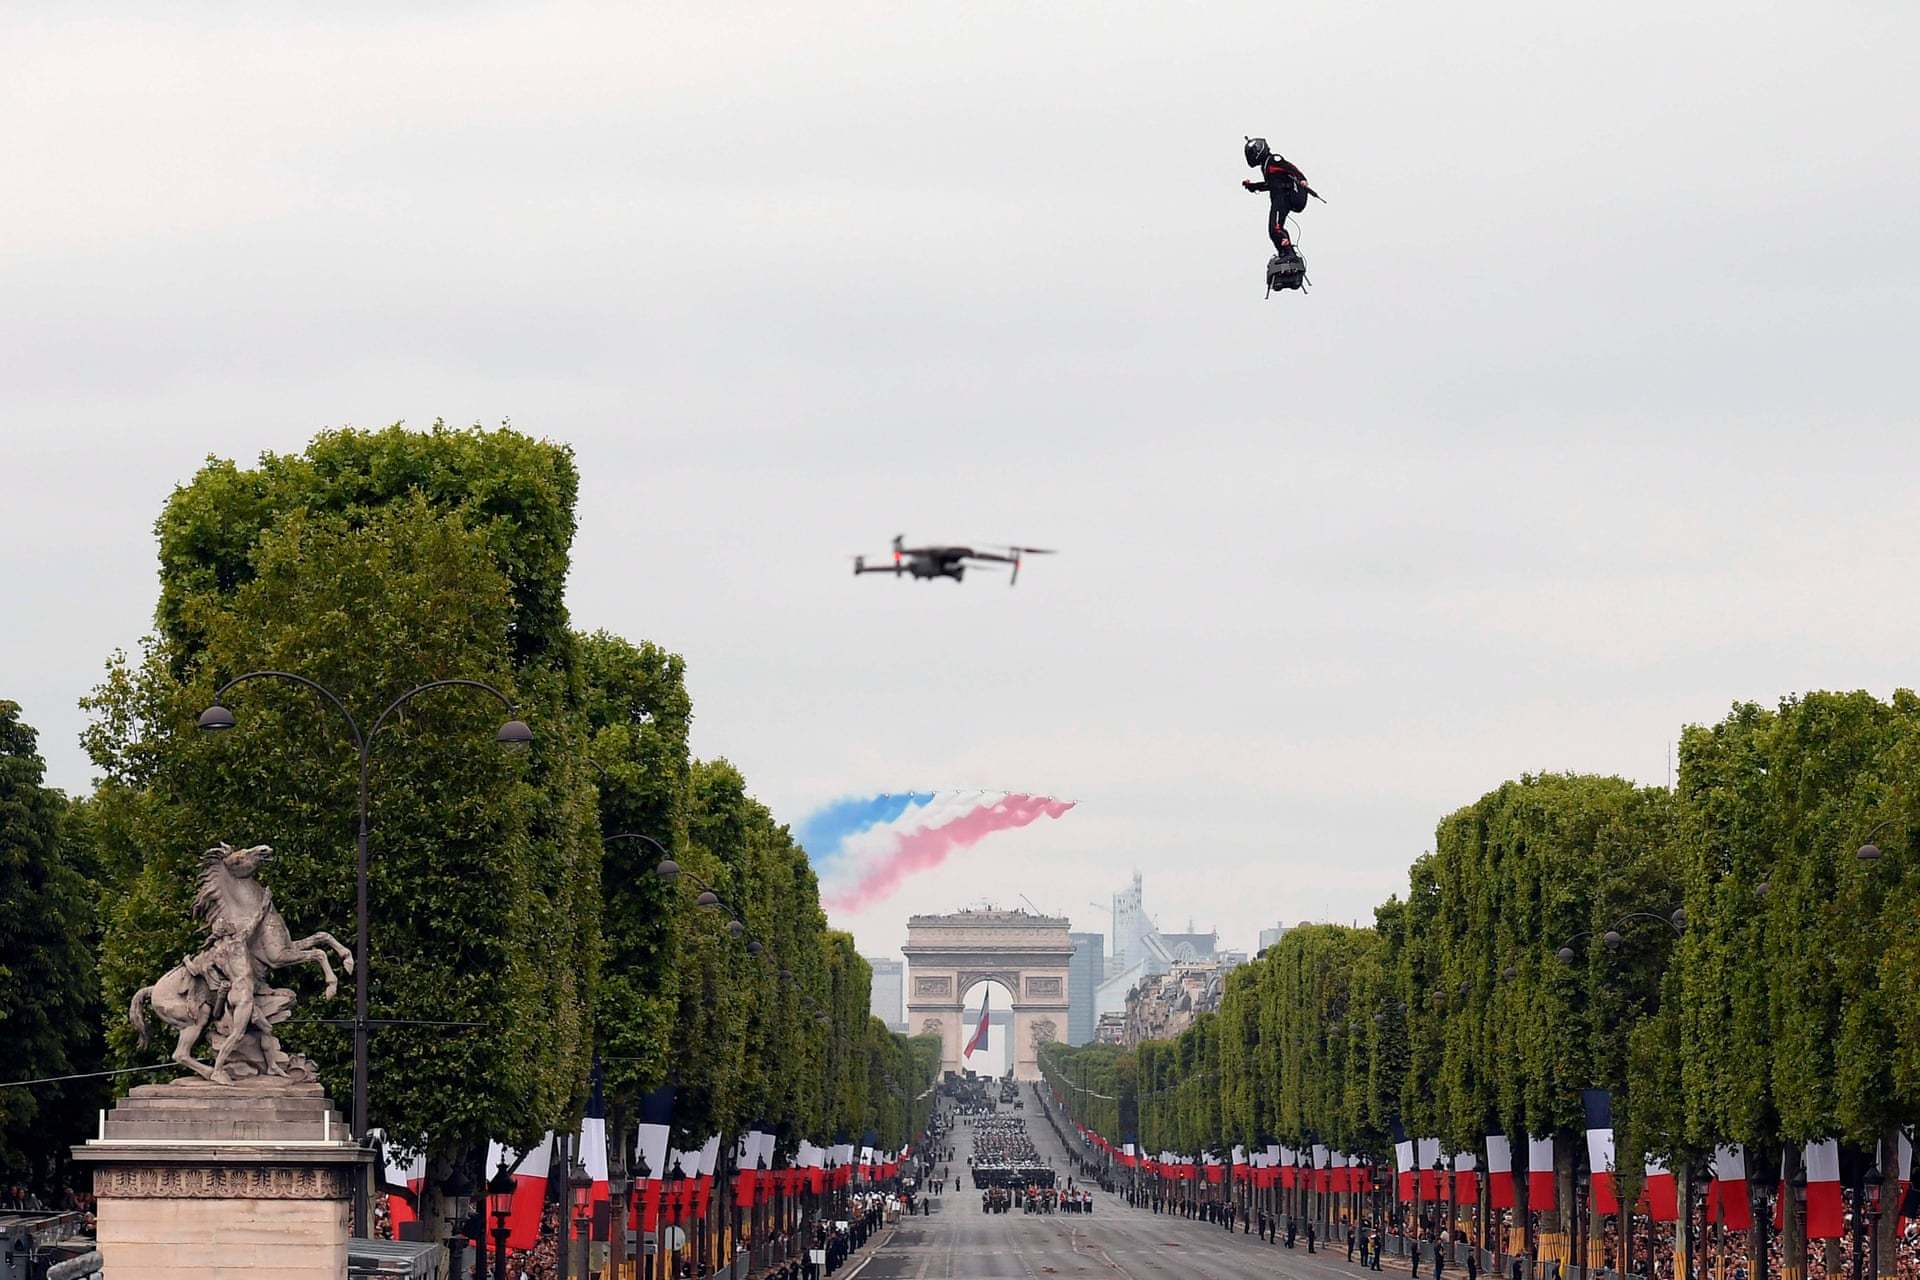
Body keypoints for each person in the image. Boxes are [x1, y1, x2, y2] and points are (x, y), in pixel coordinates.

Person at [1241, 136, 1311, 256]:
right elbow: (1271, 185)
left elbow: (1289, 167)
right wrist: (1253, 186)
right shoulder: (1266, 166)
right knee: (1274, 230)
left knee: (1275, 228)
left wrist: (1302, 179)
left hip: (1284, 196)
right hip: (1281, 196)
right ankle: (1285, 252)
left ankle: (1288, 252)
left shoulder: (1273, 160)